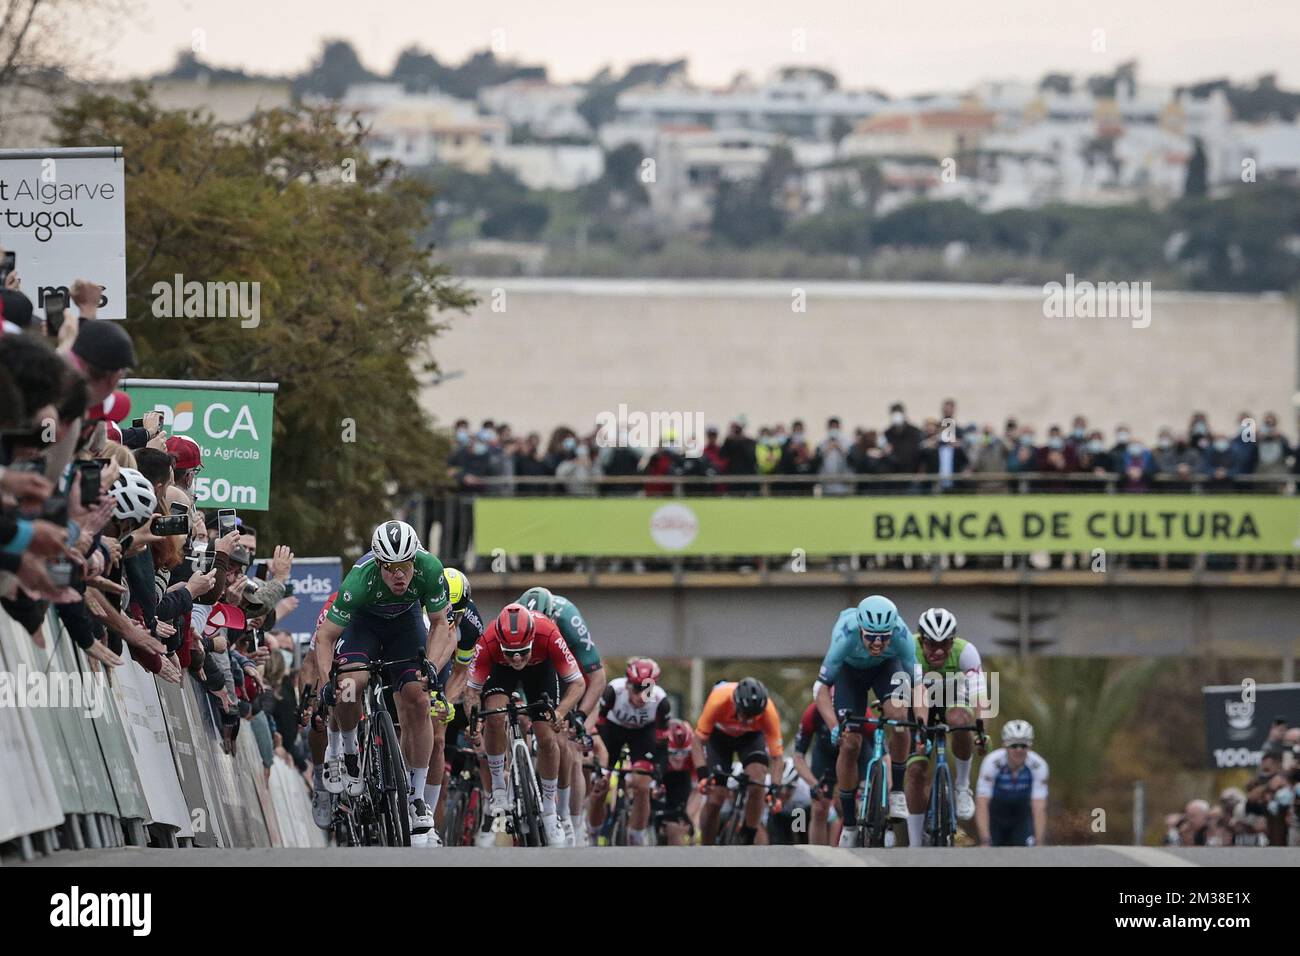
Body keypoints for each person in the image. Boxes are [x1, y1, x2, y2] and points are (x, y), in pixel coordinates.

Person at [308, 519, 452, 846]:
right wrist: (328, 680)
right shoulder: (360, 579)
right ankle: (346, 747)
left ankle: (415, 798)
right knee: (349, 684)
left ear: (414, 560)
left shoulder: (430, 569)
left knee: (418, 698)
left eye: (404, 566)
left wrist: (430, 665)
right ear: (378, 563)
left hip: (406, 624)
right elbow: (326, 638)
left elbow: (442, 623)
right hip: (365, 625)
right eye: (390, 567)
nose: (398, 574)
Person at [462, 603, 585, 847]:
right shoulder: (487, 641)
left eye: (522, 651)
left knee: (548, 737)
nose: (517, 658)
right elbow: (471, 693)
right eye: (510, 652)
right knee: (495, 716)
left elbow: (578, 683)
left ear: (532, 639)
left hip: (541, 673)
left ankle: (550, 811)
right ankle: (498, 787)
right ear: (499, 643)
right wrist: (474, 723)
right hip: (500, 673)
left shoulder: (548, 633)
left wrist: (560, 713)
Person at [814, 594, 923, 847]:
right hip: (849, 675)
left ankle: (896, 790)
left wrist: (919, 720)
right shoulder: (845, 635)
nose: (877, 643)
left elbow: (919, 684)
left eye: (884, 637)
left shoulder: (901, 636)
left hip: (886, 668)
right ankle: (850, 824)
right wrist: (833, 726)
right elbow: (819, 689)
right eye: (871, 636)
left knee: (899, 718)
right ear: (860, 629)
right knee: (850, 744)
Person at [517, 585, 606, 845]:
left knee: (570, 746)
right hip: (530, 666)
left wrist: (579, 716)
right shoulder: (514, 616)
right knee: (518, 717)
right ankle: (519, 781)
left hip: (570, 677)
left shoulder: (567, 615)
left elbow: (597, 678)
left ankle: (571, 821)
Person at [906, 608, 986, 832]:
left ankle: (962, 786)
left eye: (945, 644)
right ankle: (914, 845)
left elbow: (981, 697)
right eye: (932, 644)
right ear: (921, 640)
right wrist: (921, 729)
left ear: (953, 641)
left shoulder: (965, 651)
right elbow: (919, 692)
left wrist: (982, 733)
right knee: (915, 770)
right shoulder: (909, 649)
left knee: (961, 720)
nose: (939, 651)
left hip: (954, 695)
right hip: (919, 696)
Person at [588, 657, 670, 846]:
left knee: (642, 785)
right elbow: (595, 725)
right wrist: (598, 760)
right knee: (600, 786)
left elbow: (662, 743)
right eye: (636, 689)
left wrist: (658, 774)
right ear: (627, 684)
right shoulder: (614, 691)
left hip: (643, 735)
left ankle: (636, 837)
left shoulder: (660, 701)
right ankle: (593, 834)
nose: (641, 696)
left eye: (647, 689)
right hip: (611, 731)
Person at [693, 677, 783, 845]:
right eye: (745, 714)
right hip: (719, 740)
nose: (747, 721)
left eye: (753, 716)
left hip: (750, 739)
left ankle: (749, 832)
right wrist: (702, 774)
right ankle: (706, 846)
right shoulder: (718, 699)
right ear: (734, 703)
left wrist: (775, 788)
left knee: (758, 781)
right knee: (715, 798)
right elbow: (697, 741)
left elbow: (777, 757)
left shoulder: (769, 711)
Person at [975, 719, 1049, 847]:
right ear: (1005, 745)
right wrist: (985, 840)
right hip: (996, 817)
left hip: (1022, 817)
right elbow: (982, 803)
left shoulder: (1038, 766)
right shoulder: (991, 762)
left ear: (1030, 746)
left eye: (1024, 745)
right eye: (1013, 745)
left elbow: (1039, 807)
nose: (1019, 750)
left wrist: (1039, 843)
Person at [660, 718, 701, 845]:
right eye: (673, 752)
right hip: (660, 776)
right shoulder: (656, 750)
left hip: (680, 782)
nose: (679, 758)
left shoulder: (694, 755)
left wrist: (688, 817)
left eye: (683, 752)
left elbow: (697, 791)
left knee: (677, 828)